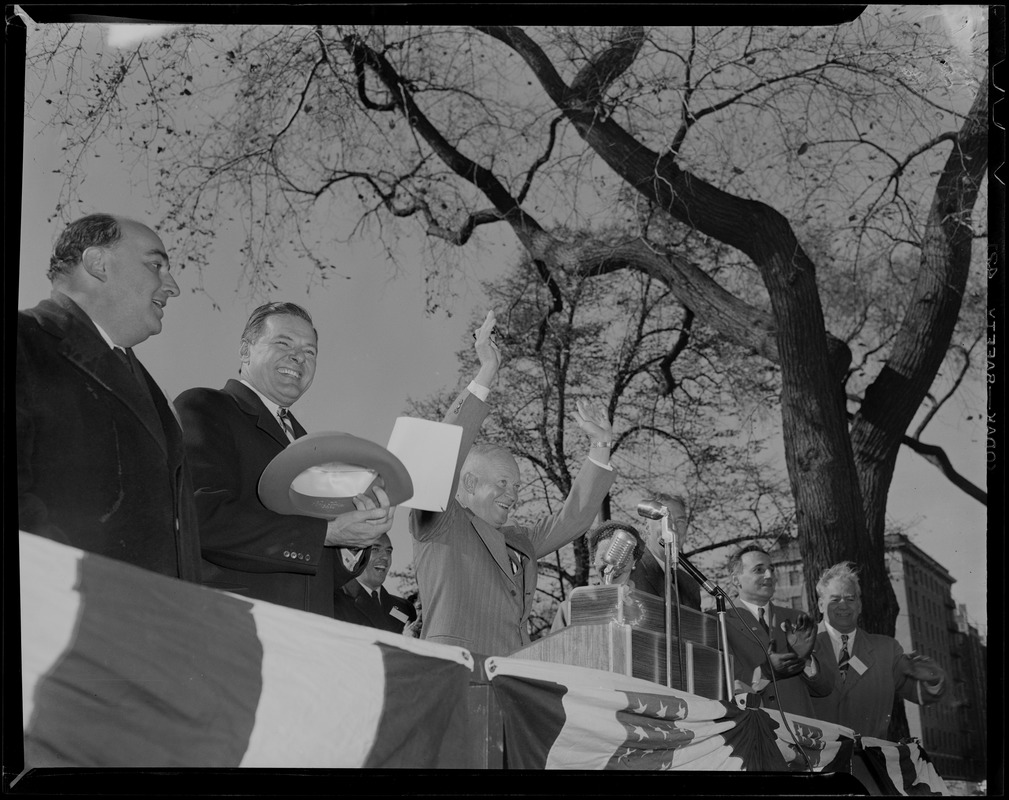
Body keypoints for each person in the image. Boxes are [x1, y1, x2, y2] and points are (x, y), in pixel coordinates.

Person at [411, 310, 616, 656]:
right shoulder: (441, 522)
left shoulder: (520, 541)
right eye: (504, 483)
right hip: (455, 676)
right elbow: (441, 457)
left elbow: (574, 519)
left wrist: (600, 447)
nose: (514, 496)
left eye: (518, 487)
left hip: (513, 679)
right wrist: (487, 370)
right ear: (471, 482)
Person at [175, 302, 394, 616]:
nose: (298, 357)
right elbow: (199, 516)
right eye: (283, 343)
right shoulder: (206, 407)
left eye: (310, 351)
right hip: (233, 629)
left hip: (308, 639)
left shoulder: (314, 448)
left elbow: (318, 568)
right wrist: (328, 533)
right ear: (245, 351)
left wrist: (355, 541)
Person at [17, 213, 202, 580]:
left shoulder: (151, 390)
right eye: (155, 265)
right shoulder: (25, 341)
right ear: (97, 263)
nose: (173, 286)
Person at [811, 562, 946, 739]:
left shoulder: (886, 651)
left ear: (859, 605)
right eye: (835, 599)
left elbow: (922, 694)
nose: (843, 605)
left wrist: (933, 678)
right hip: (814, 761)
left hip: (867, 762)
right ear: (821, 605)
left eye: (850, 599)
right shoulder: (803, 646)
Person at [722, 545, 835, 716]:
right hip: (749, 730)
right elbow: (717, 685)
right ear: (736, 579)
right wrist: (764, 673)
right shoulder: (719, 621)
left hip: (797, 733)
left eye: (771, 570)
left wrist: (805, 660)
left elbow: (825, 688)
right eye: (759, 570)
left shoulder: (797, 619)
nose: (769, 576)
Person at [550, 521, 646, 632]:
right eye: (602, 557)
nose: (612, 565)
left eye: (623, 557)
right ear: (593, 559)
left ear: (634, 562)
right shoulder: (571, 609)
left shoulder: (649, 608)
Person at [333, 533, 418, 634]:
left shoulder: (405, 608)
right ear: (358, 555)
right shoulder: (334, 601)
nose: (385, 557)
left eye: (388, 551)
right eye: (375, 549)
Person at [629, 494, 702, 610]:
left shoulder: (691, 585)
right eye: (665, 520)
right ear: (646, 527)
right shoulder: (630, 571)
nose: (674, 528)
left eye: (680, 521)